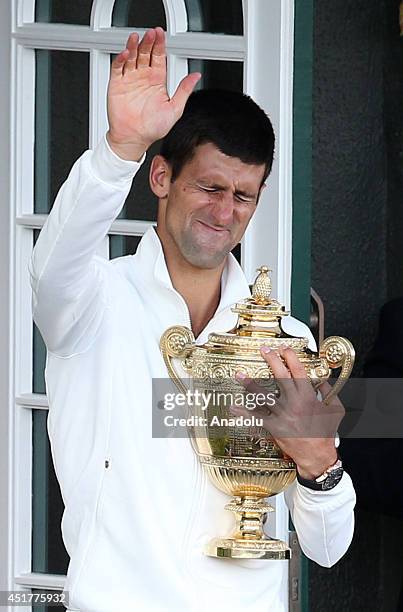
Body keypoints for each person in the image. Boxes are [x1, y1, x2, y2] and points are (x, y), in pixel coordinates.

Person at [29, 28, 356, 612]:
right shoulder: (92, 301)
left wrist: (318, 462)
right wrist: (118, 150)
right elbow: (53, 264)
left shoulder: (288, 341)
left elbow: (329, 548)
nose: (225, 212)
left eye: (244, 195)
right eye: (209, 187)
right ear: (161, 178)